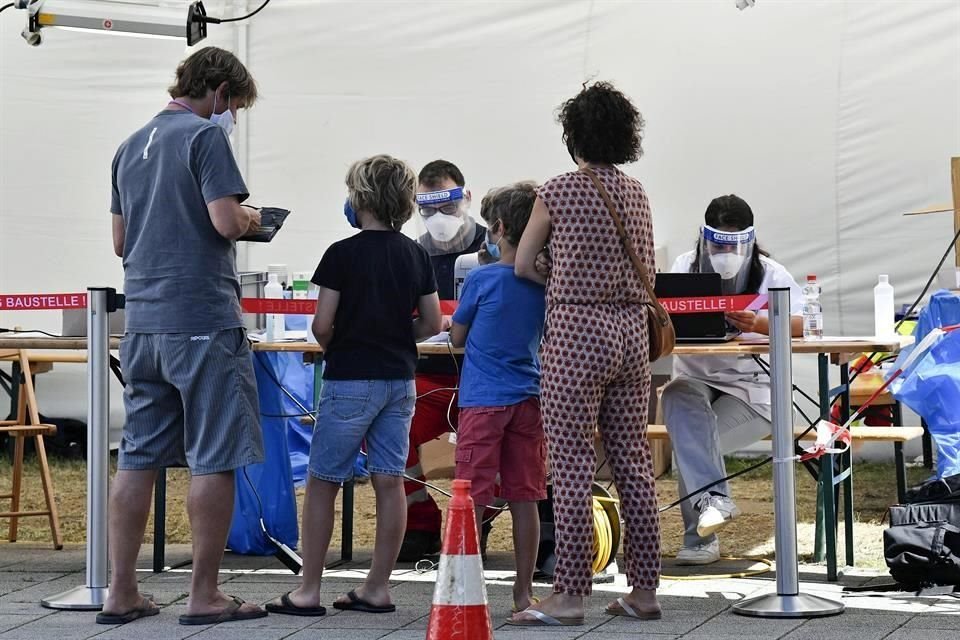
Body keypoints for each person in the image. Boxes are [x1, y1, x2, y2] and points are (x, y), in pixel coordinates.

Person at [100, 47, 266, 625]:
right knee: (213, 457)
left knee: (139, 456)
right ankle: (205, 595)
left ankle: (120, 592)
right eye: (235, 106)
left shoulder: (129, 145)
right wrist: (250, 218)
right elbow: (225, 220)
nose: (233, 118)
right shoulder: (204, 138)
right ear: (219, 91)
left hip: (143, 322)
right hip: (202, 319)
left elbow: (121, 242)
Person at [510, 81, 662, 626]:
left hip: (577, 331)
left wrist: (561, 272)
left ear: (573, 134)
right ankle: (644, 589)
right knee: (634, 465)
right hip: (631, 332)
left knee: (571, 462)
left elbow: (524, 263)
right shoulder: (637, 192)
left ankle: (570, 592)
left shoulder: (558, 191)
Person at [267, 155, 442, 617]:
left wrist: (339, 342)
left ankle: (308, 590)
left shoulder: (341, 254)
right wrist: (400, 337)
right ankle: (377, 587)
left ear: (358, 198)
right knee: (390, 481)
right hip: (399, 382)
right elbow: (431, 320)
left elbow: (322, 324)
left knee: (324, 481)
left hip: (349, 379)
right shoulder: (416, 254)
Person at [664, 195, 803, 565]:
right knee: (677, 395)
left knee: (691, 447)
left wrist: (761, 323)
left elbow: (804, 325)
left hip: (752, 390)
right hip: (696, 379)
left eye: (734, 244)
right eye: (718, 244)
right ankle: (714, 509)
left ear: (750, 240)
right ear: (704, 239)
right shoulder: (685, 266)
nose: (726, 253)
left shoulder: (771, 274)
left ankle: (699, 540)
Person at [449, 182, 546, 613]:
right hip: (530, 397)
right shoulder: (545, 282)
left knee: (470, 497)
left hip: (483, 400)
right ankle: (523, 593)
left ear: (500, 229)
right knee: (527, 498)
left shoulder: (481, 278)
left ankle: (462, 587)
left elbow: (457, 336)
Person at [399, 160, 487, 561]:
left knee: (502, 434)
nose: (438, 219)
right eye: (428, 210)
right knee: (391, 419)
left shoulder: (493, 249)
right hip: (431, 378)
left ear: (466, 199)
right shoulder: (412, 253)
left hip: (484, 377)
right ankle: (417, 518)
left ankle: (478, 522)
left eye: (447, 208)